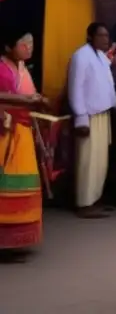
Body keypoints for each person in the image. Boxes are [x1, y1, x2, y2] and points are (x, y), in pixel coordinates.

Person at [0, 32, 47, 258]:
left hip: (24, 129)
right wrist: (26, 100)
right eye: (23, 44)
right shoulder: (1, 68)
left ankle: (16, 239)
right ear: (9, 46)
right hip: (6, 132)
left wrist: (36, 100)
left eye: (31, 43)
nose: (29, 48)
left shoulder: (23, 69)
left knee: (23, 184)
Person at [68, 23, 116, 218]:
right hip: (88, 115)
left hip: (103, 113)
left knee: (100, 160)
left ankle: (95, 198)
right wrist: (81, 118)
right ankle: (84, 202)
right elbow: (76, 89)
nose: (105, 39)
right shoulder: (81, 56)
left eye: (107, 36)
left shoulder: (100, 57)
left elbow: (108, 86)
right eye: (101, 36)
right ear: (90, 36)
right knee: (87, 161)